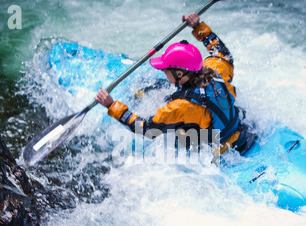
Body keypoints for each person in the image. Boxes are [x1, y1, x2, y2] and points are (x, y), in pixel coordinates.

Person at [95, 12, 256, 158]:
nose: (163, 71)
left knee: (174, 129)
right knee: (162, 88)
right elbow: (221, 52)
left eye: (166, 70)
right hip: (238, 127)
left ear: (180, 74)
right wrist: (199, 27)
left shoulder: (179, 107)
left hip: (219, 149)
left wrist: (112, 106)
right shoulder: (215, 69)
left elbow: (147, 130)